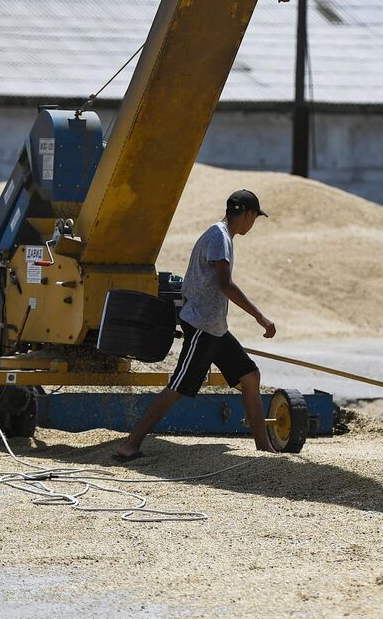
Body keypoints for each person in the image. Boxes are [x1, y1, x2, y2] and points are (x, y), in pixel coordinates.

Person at [115, 189, 278, 460]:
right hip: (202, 327)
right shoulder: (219, 237)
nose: (253, 223)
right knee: (177, 387)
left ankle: (264, 448)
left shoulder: (221, 236)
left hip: (215, 328)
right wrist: (259, 316)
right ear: (247, 214)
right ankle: (129, 444)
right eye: (254, 217)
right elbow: (225, 284)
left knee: (250, 377)